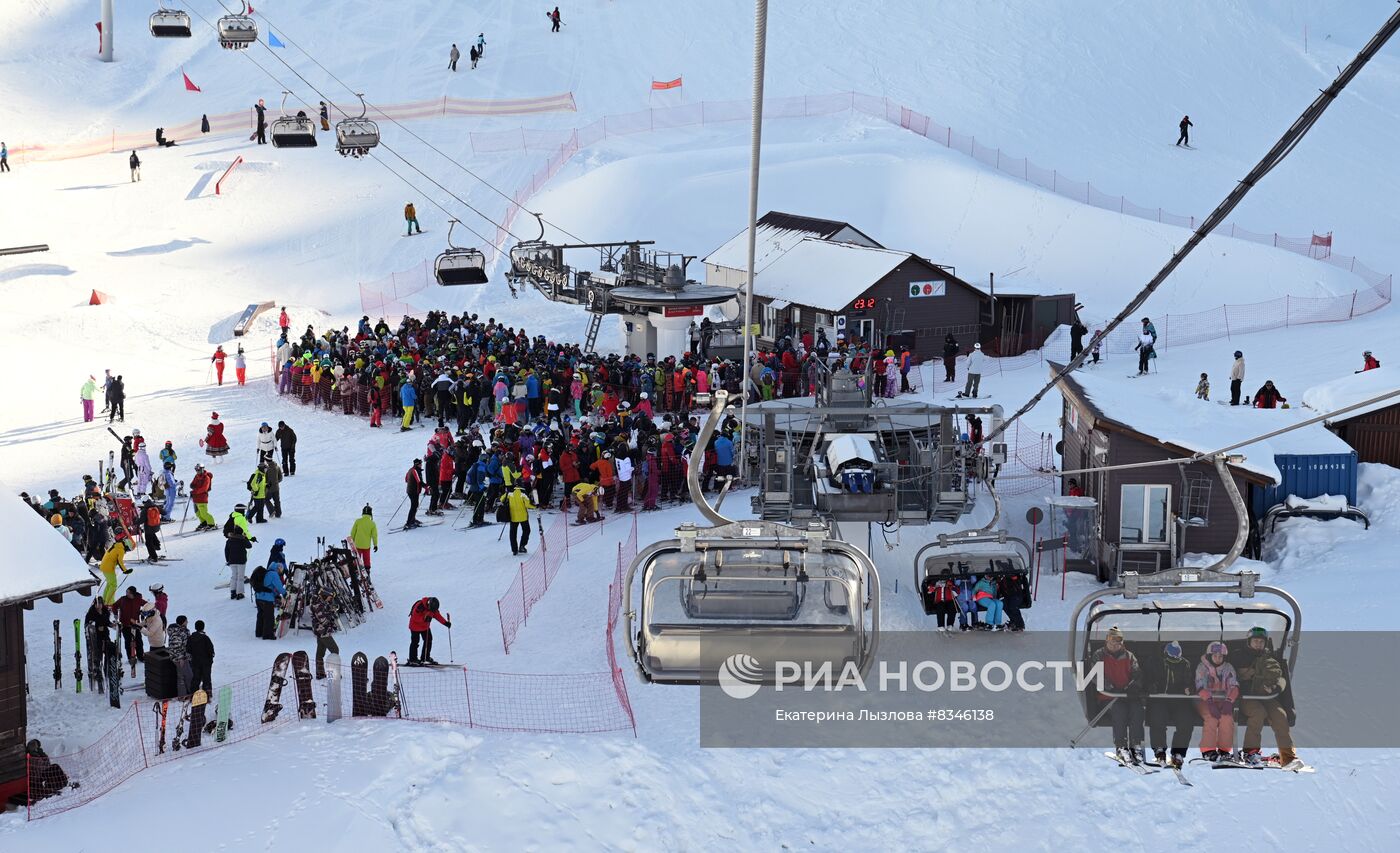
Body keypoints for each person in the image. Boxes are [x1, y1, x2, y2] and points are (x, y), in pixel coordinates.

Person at [1237, 626, 1298, 768]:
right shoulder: (1239, 656)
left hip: (1267, 696)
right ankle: (1250, 752)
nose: (1258, 644)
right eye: (1255, 641)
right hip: (1247, 697)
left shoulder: (1270, 658)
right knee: (1258, 713)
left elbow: (1281, 678)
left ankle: (1287, 756)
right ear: (1249, 642)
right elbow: (1233, 675)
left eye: (1261, 642)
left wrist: (1275, 688)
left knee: (1280, 715)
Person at [1091, 626, 1145, 762]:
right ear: (1106, 641)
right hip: (1108, 696)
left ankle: (1136, 744)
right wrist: (1111, 688)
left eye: (1118, 641)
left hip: (1126, 694)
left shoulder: (1129, 656)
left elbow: (1137, 674)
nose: (1114, 644)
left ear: (1122, 642)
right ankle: (1121, 746)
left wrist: (1134, 686)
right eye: (1111, 641)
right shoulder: (1099, 655)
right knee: (1119, 710)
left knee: (1137, 709)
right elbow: (1096, 675)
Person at [1145, 640, 1197, 767]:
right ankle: (1159, 749)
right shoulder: (1155, 662)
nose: (1175, 657)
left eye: (1177, 654)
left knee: (1186, 722)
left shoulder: (1185, 664)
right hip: (1160, 698)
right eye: (1172, 654)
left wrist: (1189, 688)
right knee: (1158, 718)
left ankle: (1178, 752)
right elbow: (1146, 678)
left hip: (1178, 699)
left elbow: (1190, 681)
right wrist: (1151, 687)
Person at [1195, 640, 1239, 761]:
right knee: (1211, 717)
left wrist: (1229, 700)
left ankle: (1224, 750)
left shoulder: (1228, 668)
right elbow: (1200, 686)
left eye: (1221, 656)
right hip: (1204, 700)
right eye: (1215, 656)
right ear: (1210, 655)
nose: (1218, 658)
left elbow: (1234, 685)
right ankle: (1208, 750)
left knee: (1227, 718)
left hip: (1222, 700)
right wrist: (1209, 701)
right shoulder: (1202, 667)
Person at [23, 740, 70, 805]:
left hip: (41, 773)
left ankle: (62, 783)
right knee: (54, 768)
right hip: (36, 777)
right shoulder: (30, 757)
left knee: (55, 767)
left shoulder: (37, 755)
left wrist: (42, 754)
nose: (37, 749)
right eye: (36, 747)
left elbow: (47, 763)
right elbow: (42, 766)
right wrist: (42, 757)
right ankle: (58, 785)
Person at [407, 596, 451, 665]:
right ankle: (413, 659)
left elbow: (437, 616)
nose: (433, 611)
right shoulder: (420, 606)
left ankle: (425, 657)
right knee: (415, 642)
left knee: (428, 640)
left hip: (425, 627)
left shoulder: (433, 608)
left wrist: (445, 623)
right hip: (415, 626)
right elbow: (415, 617)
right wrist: (424, 619)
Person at [224, 505, 255, 600]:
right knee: (240, 577)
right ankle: (239, 593)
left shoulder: (229, 540)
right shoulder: (242, 539)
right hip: (241, 560)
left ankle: (232, 592)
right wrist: (247, 537)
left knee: (234, 576)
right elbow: (249, 545)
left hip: (232, 560)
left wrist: (228, 560)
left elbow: (226, 550)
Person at [115, 586, 148, 668]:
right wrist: (116, 615)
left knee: (139, 641)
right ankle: (131, 657)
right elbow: (114, 606)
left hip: (136, 624)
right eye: (126, 592)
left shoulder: (138, 599)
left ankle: (141, 656)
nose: (127, 594)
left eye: (129, 592)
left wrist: (144, 612)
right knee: (128, 642)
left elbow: (147, 605)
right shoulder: (123, 599)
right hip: (125, 625)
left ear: (133, 593)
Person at [310, 586, 339, 678]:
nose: (330, 600)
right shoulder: (317, 604)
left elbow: (325, 613)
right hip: (323, 631)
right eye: (329, 598)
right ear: (324, 595)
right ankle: (334, 673)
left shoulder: (321, 602)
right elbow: (323, 620)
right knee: (334, 650)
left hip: (320, 631)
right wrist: (331, 613)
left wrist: (330, 609)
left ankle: (320, 673)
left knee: (320, 652)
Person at [253, 562, 285, 640]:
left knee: (260, 615)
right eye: (280, 571)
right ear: (278, 568)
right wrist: (285, 593)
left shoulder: (266, 572)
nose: (280, 573)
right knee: (269, 617)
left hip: (258, 597)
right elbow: (279, 586)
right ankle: (268, 635)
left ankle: (259, 632)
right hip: (267, 599)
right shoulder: (273, 574)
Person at [98, 536, 132, 604]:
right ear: (126, 546)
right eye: (128, 549)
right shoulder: (121, 550)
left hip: (104, 567)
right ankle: (110, 603)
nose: (127, 551)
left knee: (110, 584)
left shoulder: (116, 546)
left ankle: (105, 600)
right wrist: (125, 570)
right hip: (108, 568)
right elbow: (120, 562)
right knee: (113, 585)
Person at [925, 570, 959, 635]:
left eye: (946, 576)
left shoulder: (950, 582)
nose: (944, 578)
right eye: (943, 576)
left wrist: (951, 586)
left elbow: (957, 592)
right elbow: (929, 590)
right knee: (940, 608)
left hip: (949, 600)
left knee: (952, 607)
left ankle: (950, 625)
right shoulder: (936, 582)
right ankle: (941, 626)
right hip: (939, 601)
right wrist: (935, 586)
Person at [505, 483, 535, 555]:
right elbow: (528, 505)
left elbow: (502, 499)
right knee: (526, 530)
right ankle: (522, 546)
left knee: (513, 532)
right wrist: (535, 506)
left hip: (512, 516)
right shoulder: (523, 493)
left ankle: (514, 550)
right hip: (523, 516)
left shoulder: (509, 492)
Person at [167, 614, 193, 695]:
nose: (187, 622)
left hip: (182, 657)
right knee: (188, 676)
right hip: (180, 658)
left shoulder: (183, 631)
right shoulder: (177, 633)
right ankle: (190, 693)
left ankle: (183, 695)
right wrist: (181, 658)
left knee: (181, 676)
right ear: (183, 622)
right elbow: (176, 646)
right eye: (186, 621)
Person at [187, 620, 215, 694]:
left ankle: (193, 693)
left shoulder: (190, 638)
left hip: (195, 661)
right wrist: (210, 659)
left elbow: (188, 650)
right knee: (206, 678)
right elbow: (211, 650)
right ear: (203, 627)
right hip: (205, 662)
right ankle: (207, 693)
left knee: (196, 678)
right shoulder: (205, 638)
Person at [190, 464, 217, 531]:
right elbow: (193, 483)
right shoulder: (197, 476)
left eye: (198, 469)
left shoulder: (206, 478)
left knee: (204, 513)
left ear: (202, 469)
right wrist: (192, 485)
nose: (197, 471)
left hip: (202, 497)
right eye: (196, 470)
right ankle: (204, 523)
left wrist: (195, 491)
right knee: (197, 513)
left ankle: (211, 524)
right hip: (195, 498)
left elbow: (204, 488)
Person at [405, 459, 427, 529]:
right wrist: (427, 487)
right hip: (413, 491)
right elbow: (419, 481)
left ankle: (412, 520)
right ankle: (409, 523)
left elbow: (406, 479)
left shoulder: (411, 469)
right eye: (420, 464)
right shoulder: (415, 470)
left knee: (415, 505)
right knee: (414, 506)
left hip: (412, 491)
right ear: (417, 464)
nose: (421, 465)